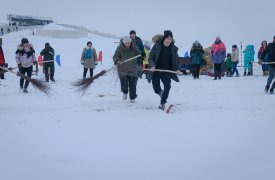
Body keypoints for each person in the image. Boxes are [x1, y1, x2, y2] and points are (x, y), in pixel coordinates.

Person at [148, 30, 181, 110]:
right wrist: (152, 66)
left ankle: (162, 103)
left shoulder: (173, 49)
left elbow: (176, 60)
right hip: (156, 70)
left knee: (167, 86)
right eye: (167, 38)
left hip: (166, 71)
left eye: (170, 39)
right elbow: (151, 58)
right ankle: (160, 93)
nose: (169, 40)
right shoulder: (157, 46)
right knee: (156, 89)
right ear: (164, 38)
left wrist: (177, 69)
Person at [113, 36, 141, 103]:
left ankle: (132, 97)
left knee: (133, 84)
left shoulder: (133, 47)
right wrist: (117, 61)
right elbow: (115, 56)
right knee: (124, 84)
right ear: (123, 43)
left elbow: (139, 53)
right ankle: (125, 92)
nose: (128, 44)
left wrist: (142, 55)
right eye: (126, 43)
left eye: (129, 43)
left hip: (132, 68)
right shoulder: (119, 48)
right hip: (123, 69)